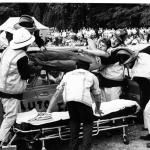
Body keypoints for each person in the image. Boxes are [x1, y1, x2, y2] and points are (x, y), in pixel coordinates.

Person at [47, 59, 102, 150]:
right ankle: (85, 147)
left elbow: (57, 93)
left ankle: (73, 147)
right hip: (83, 100)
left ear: (76, 66)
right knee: (88, 123)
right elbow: (97, 95)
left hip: (69, 101)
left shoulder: (67, 75)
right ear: (88, 68)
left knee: (74, 121)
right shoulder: (91, 76)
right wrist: (97, 108)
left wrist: (48, 110)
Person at [0, 27, 36, 146]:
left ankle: (16, 139)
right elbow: (25, 75)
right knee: (10, 117)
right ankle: (1, 142)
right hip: (11, 90)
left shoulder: (7, 50)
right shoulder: (21, 56)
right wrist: (32, 69)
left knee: (15, 116)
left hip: (3, 86)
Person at [116, 46, 150, 148]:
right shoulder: (142, 56)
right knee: (147, 112)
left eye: (128, 63)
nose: (127, 66)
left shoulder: (141, 69)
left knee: (148, 112)